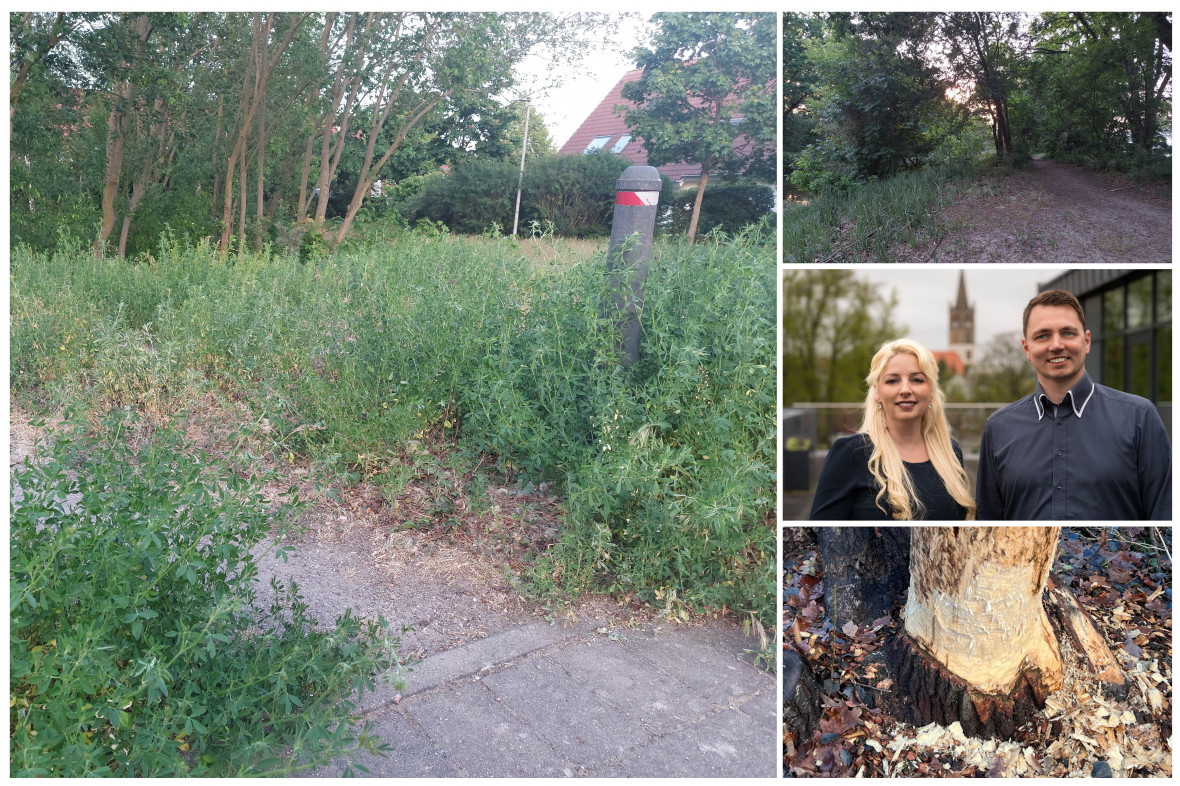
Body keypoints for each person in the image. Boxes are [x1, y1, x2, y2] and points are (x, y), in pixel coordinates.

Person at [976, 289, 1171, 520]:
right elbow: (987, 529)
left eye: (1068, 333)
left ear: (1086, 341)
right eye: (1042, 336)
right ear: (1026, 348)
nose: (1056, 345)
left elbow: (1165, 522)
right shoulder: (998, 428)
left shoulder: (1139, 418)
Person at [810, 339, 974, 520]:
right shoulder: (851, 453)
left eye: (917, 379)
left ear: (931, 391)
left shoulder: (950, 452)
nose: (905, 389)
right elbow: (820, 533)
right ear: (877, 392)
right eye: (893, 380)